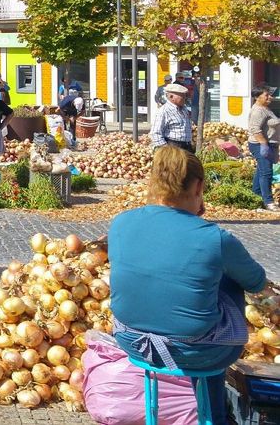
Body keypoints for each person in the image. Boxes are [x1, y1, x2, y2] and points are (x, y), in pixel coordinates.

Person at [109, 145, 267, 420]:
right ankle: (214, 415)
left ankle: (210, 412)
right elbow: (256, 282)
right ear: (198, 186)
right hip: (198, 352)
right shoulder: (214, 237)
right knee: (228, 283)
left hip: (131, 340)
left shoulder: (120, 223)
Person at [247, 84, 280, 210]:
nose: (270, 97)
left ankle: (255, 196)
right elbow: (255, 129)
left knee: (261, 171)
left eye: (269, 95)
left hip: (269, 144)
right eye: (266, 95)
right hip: (259, 144)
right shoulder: (258, 111)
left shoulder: (266, 109)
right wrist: (264, 145)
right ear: (257, 97)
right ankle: (268, 201)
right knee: (266, 172)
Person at [150, 82, 194, 152]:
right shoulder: (163, 111)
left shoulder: (184, 109)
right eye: (182, 96)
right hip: (173, 147)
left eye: (185, 96)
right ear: (171, 97)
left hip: (187, 146)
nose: (185, 98)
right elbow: (155, 133)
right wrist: (167, 150)